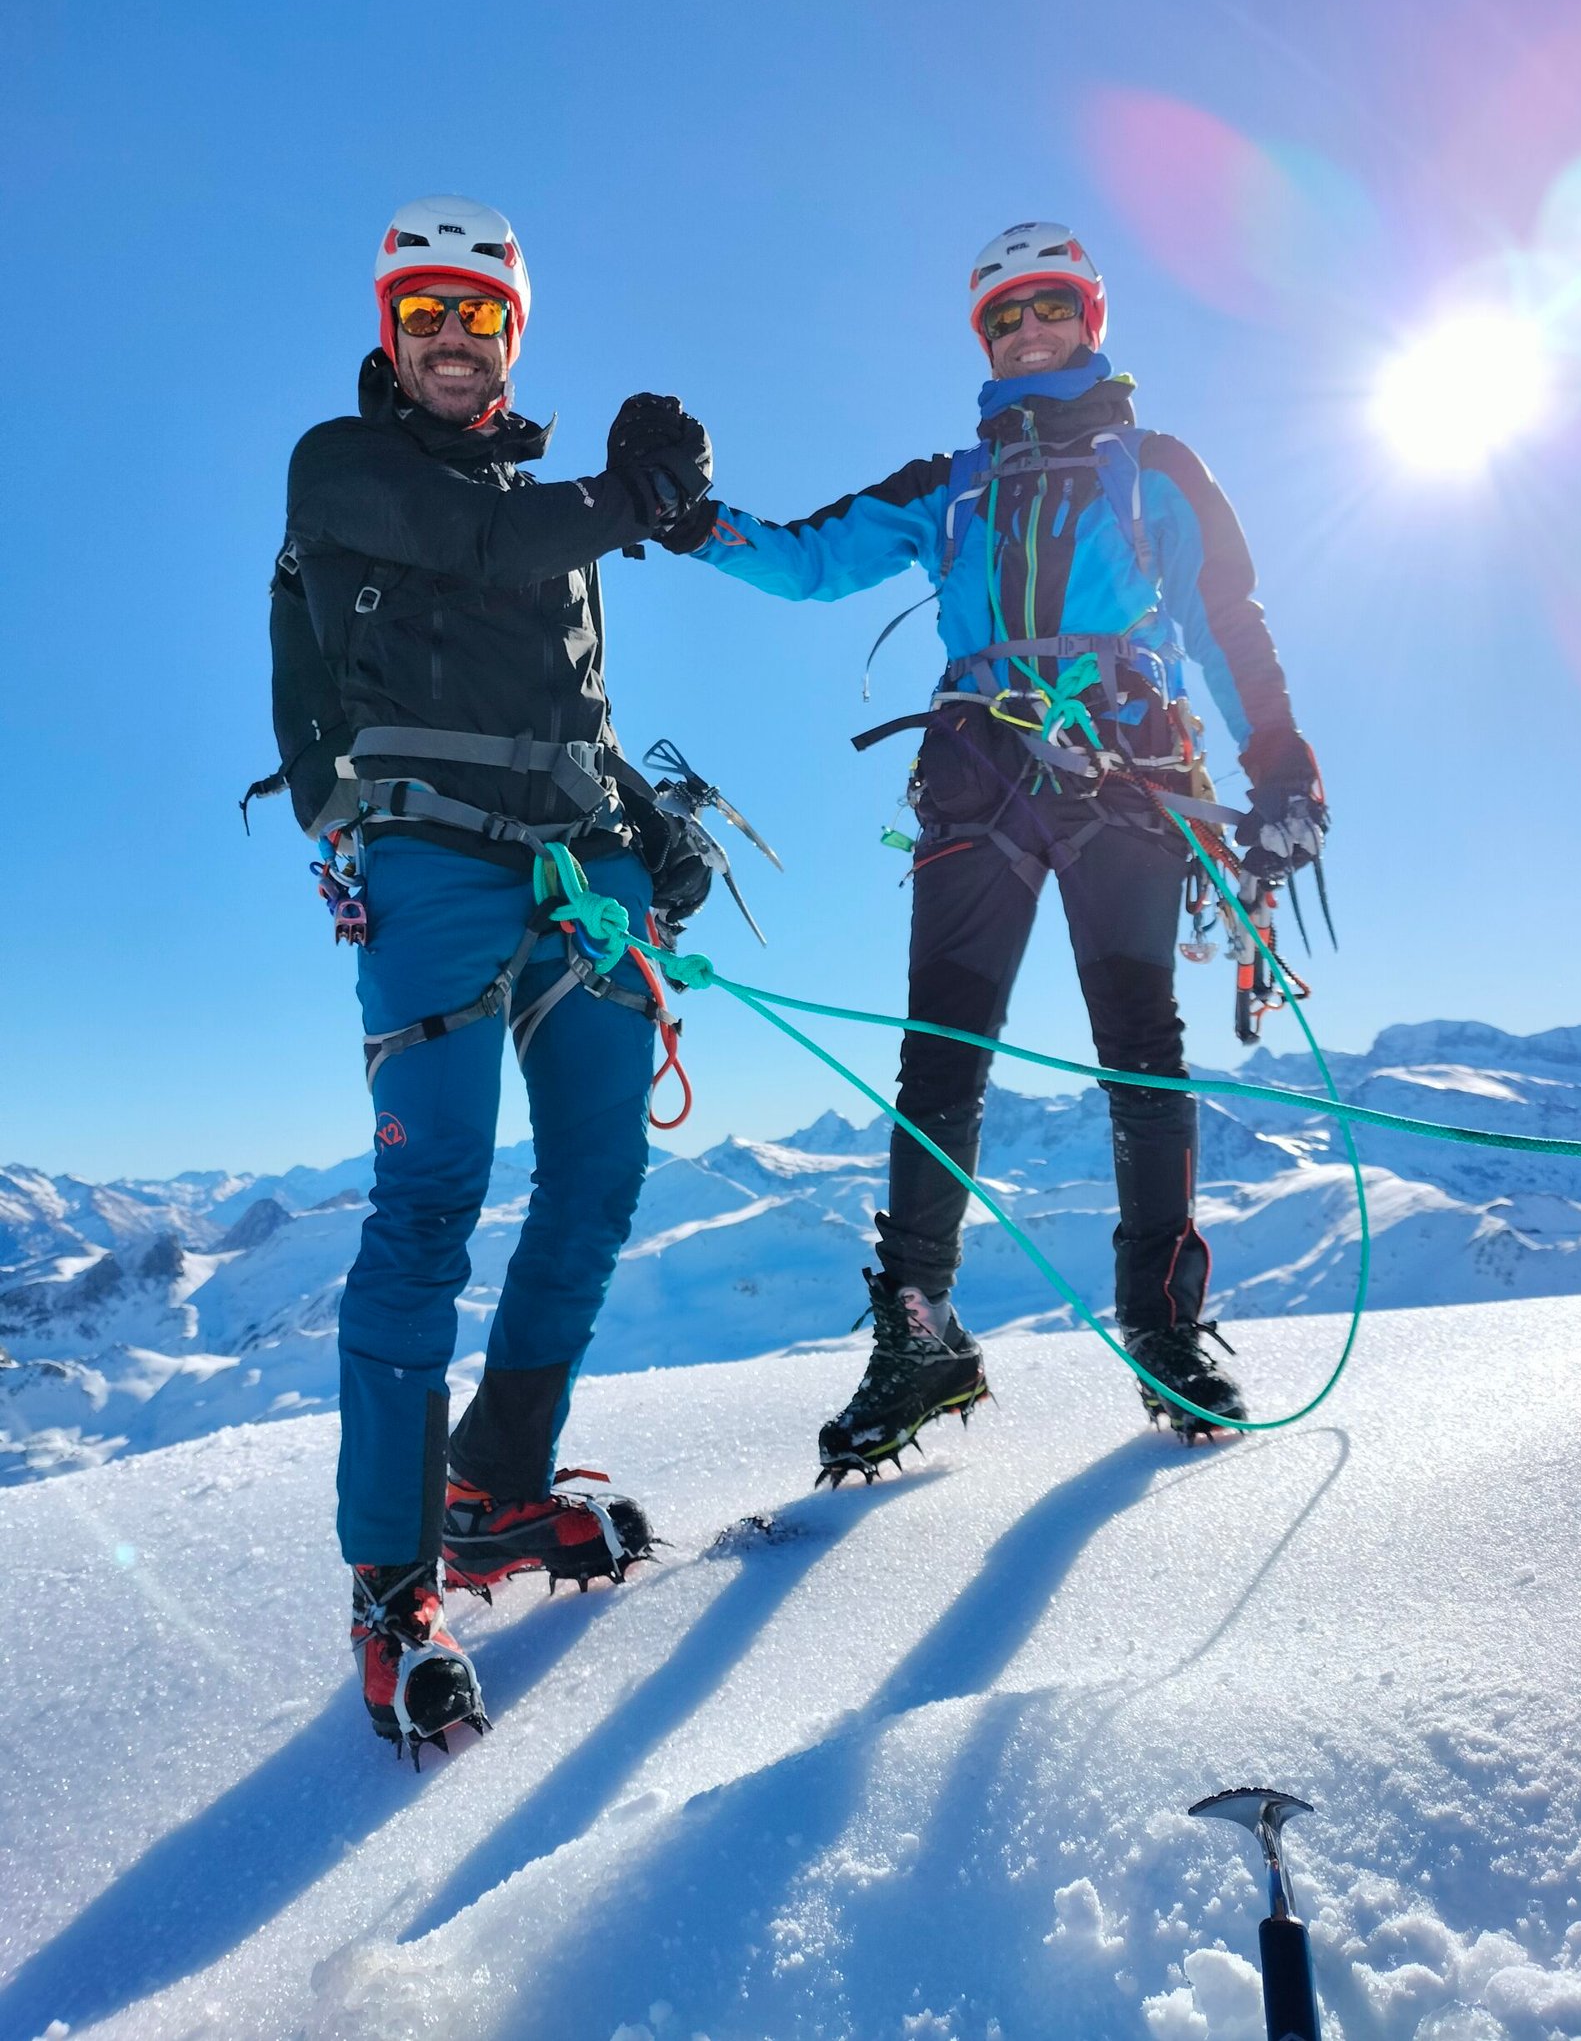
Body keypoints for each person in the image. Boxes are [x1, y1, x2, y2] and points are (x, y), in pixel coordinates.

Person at [659, 221, 1327, 1481]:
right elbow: (810, 561)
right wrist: (692, 524)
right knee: (943, 1053)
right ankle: (919, 1332)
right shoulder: (951, 481)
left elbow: (1225, 620)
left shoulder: (1158, 466)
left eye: (1050, 309)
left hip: (1124, 760)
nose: (1029, 333)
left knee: (1139, 1045)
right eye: (1004, 318)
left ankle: (1164, 1332)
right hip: (981, 771)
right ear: (985, 337)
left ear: (1092, 314)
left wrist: (1280, 763)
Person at [283, 195, 717, 1759]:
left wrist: (650, 831)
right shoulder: (340, 470)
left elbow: (585, 709)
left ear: (511, 334)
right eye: (427, 317)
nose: (453, 342)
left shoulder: (554, 508)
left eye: (480, 319)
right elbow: (472, 541)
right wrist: (633, 490)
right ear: (390, 332)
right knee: (432, 1203)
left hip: (572, 871)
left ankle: (494, 1490)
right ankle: (393, 1585)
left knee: (600, 1170)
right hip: (430, 870)